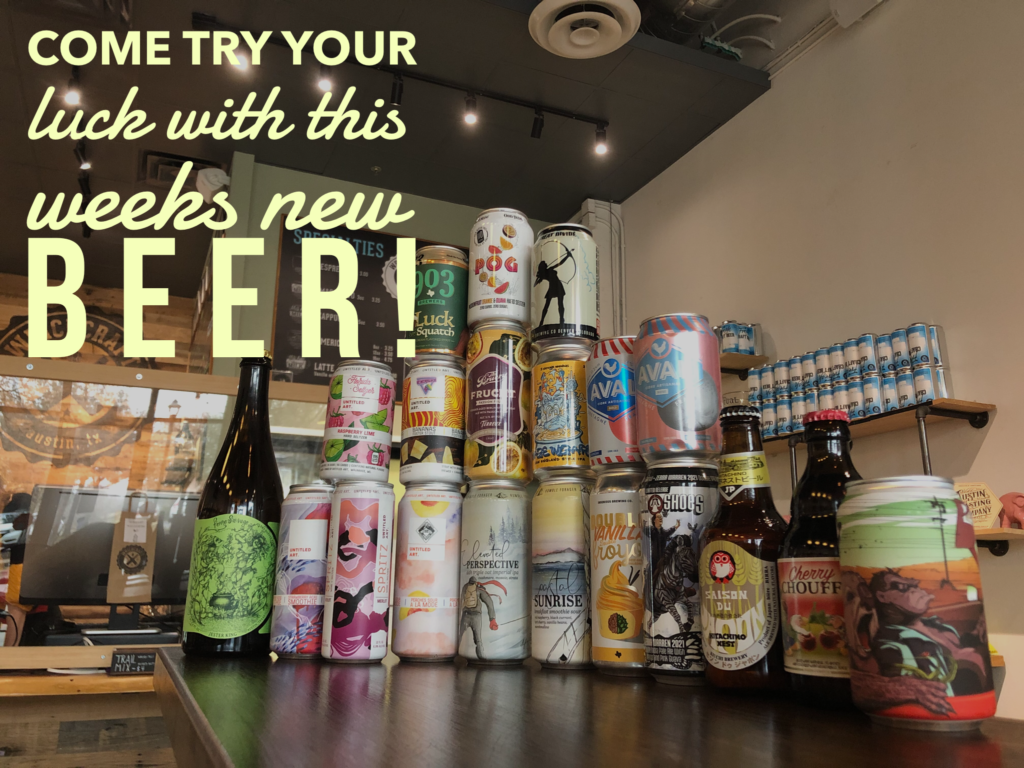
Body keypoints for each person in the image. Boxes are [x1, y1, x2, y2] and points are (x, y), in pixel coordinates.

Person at [534, 245, 574, 326]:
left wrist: (567, 256)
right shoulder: (546, 272)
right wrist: (537, 278)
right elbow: (535, 284)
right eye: (545, 264)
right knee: (549, 305)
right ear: (543, 267)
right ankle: (541, 321)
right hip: (554, 286)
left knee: (559, 304)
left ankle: (561, 320)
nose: (546, 264)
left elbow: (560, 263)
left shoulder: (545, 272)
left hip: (557, 286)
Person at [459, 576, 498, 659]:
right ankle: (482, 658)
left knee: (459, 636)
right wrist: (492, 619)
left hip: (465, 615)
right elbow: (489, 602)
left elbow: (461, 601)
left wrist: (457, 616)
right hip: (476, 616)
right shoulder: (479, 588)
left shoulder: (465, 587)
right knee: (478, 640)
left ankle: (480, 658)